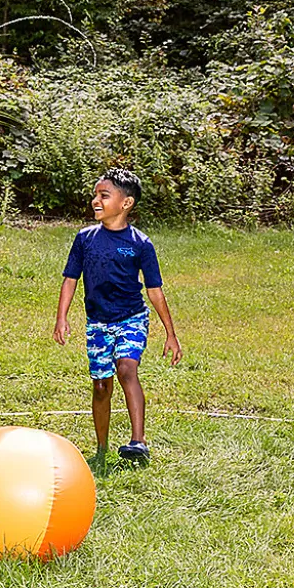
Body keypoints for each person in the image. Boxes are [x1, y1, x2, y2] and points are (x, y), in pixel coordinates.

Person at [53, 168, 182, 470]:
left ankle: (138, 442)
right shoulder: (85, 239)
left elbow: (155, 291)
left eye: (104, 195)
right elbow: (70, 279)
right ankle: (101, 449)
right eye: (95, 195)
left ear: (126, 203)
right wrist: (61, 317)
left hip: (131, 318)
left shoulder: (140, 243)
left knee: (126, 370)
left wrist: (171, 333)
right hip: (98, 322)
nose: (95, 201)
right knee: (101, 386)